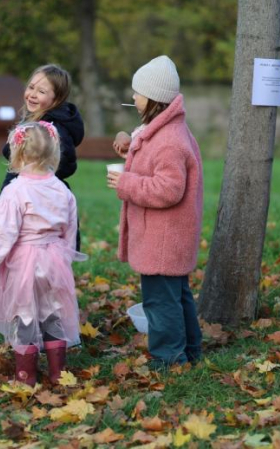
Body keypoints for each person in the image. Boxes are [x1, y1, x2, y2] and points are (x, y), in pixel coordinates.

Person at [0, 122, 84, 386]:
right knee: (52, 312)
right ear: (54, 154)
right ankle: (58, 373)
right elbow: (70, 229)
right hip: (54, 261)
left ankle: (26, 376)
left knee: (25, 315)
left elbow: (2, 232)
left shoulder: (15, 191)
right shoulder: (62, 190)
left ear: (17, 155)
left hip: (24, 264)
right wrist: (65, 259)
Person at [107, 55, 203, 368]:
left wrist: (126, 183)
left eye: (137, 93)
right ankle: (190, 350)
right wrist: (126, 140)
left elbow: (168, 189)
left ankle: (168, 358)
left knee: (160, 302)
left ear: (154, 98)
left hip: (162, 239)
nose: (133, 97)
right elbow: (141, 138)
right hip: (166, 237)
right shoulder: (163, 128)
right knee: (178, 296)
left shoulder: (170, 141)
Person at [0, 65, 84, 248]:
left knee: (31, 246)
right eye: (31, 87)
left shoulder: (53, 128)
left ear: (57, 97)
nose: (32, 94)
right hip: (23, 193)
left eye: (41, 91)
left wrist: (39, 172)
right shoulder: (33, 120)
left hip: (38, 199)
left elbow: (67, 162)